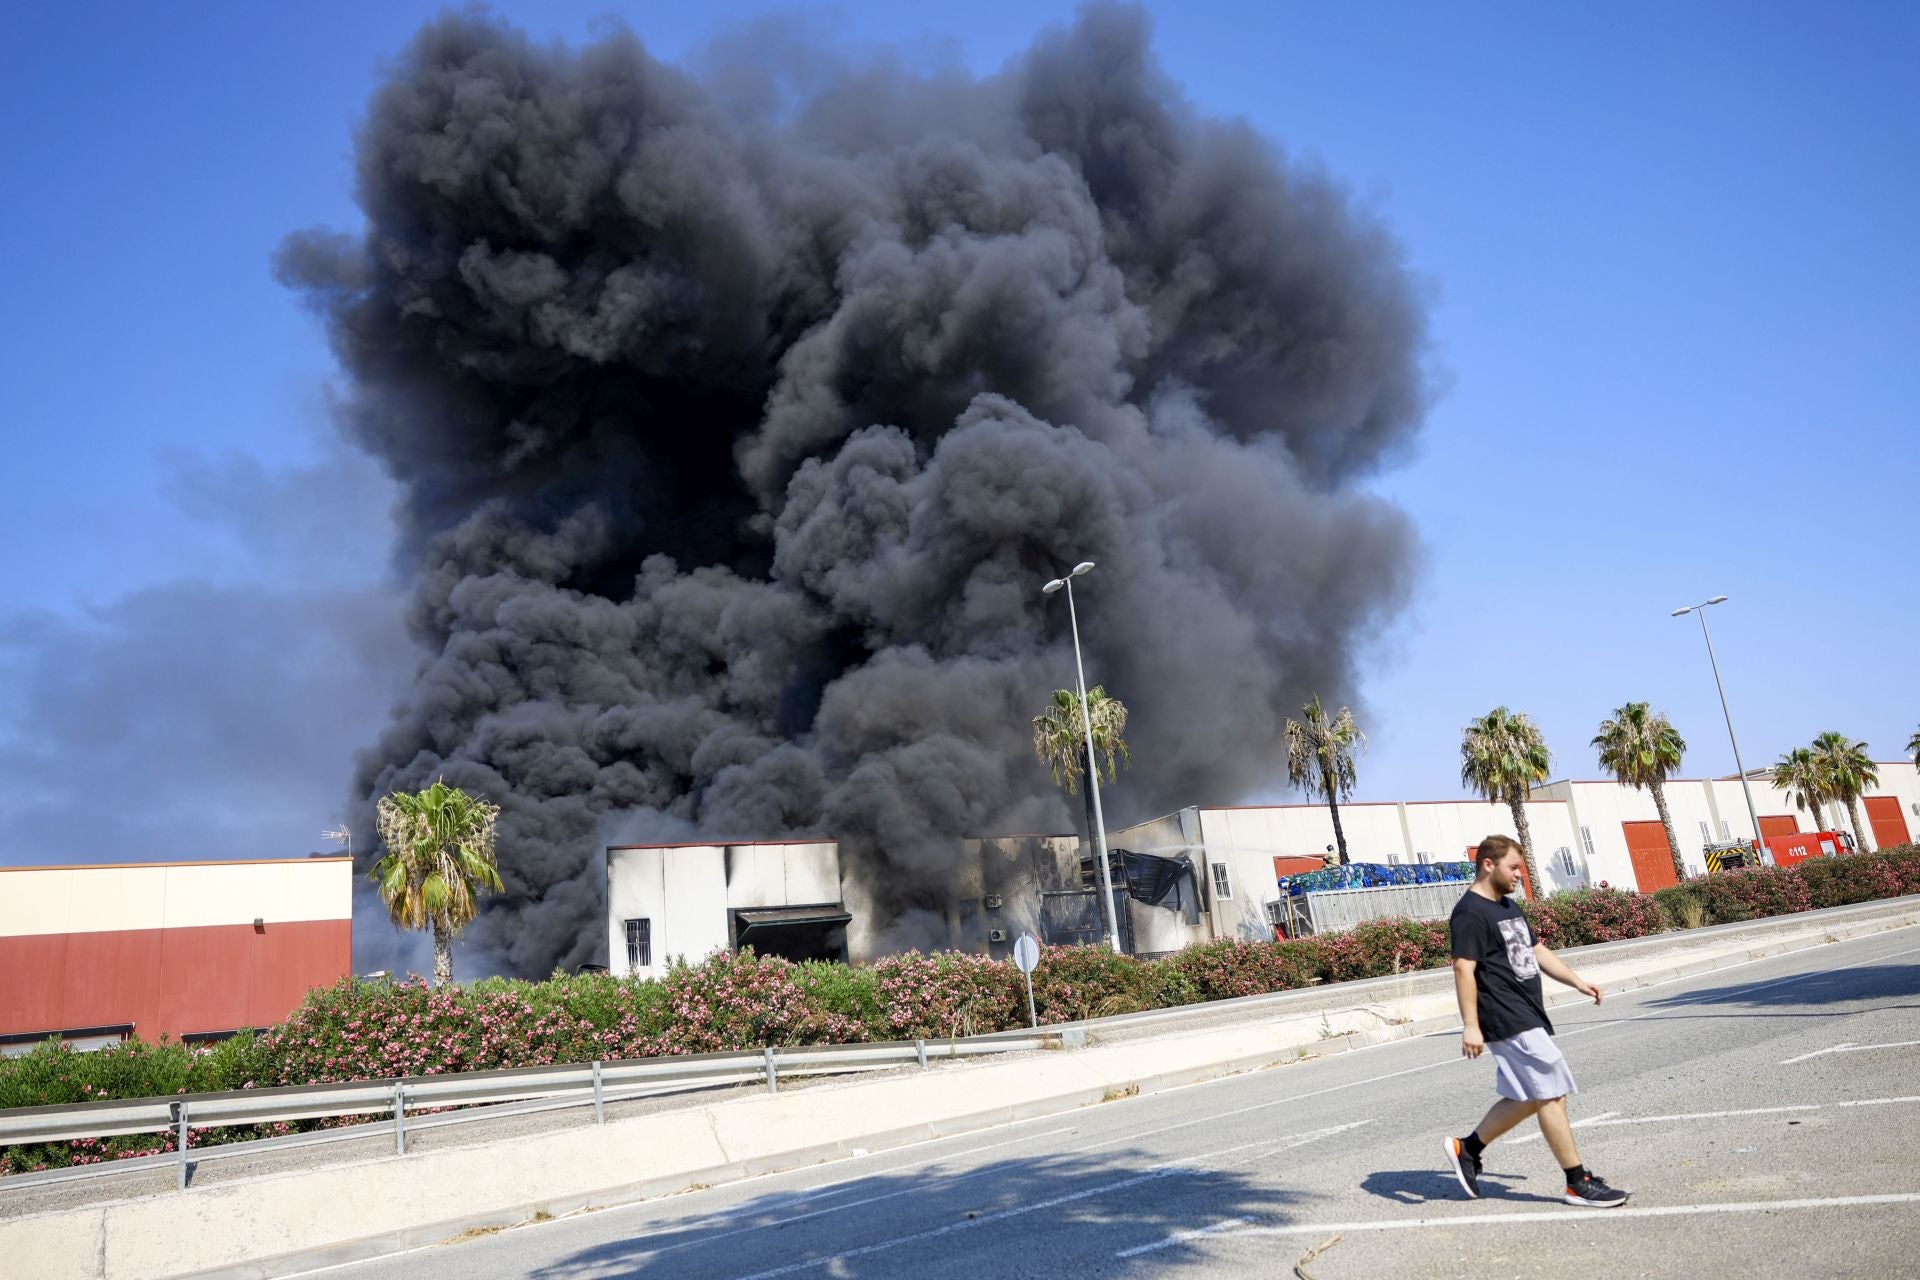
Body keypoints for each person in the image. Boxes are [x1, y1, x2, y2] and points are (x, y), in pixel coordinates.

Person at [1442, 834, 1630, 1207]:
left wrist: (1576, 981)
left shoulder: (1507, 907)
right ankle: (1577, 1181)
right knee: (1551, 1092)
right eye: (1514, 868)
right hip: (1504, 1014)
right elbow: (1464, 967)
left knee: (1527, 1096)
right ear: (1488, 864)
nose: (1519, 875)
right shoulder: (1470, 912)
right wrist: (1471, 1024)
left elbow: (1535, 950)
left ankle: (1468, 1148)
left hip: (1526, 1012)